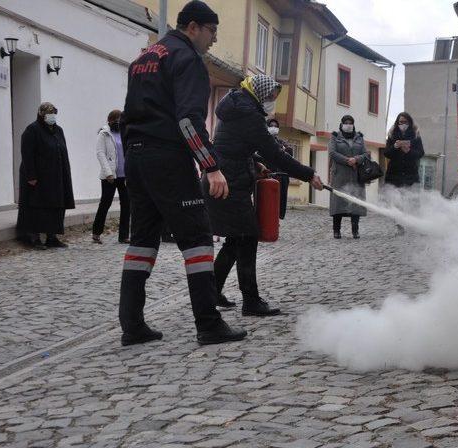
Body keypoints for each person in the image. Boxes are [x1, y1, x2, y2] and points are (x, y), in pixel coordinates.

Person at [119, 0, 246, 347]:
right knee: (198, 242)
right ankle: (208, 323)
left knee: (142, 242)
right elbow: (189, 120)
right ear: (193, 27)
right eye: (212, 31)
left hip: (136, 156)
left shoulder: (145, 57)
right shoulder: (186, 58)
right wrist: (212, 166)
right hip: (167, 158)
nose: (214, 40)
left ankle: (131, 325)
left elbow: (131, 113)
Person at [203, 74, 323, 315]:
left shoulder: (237, 104)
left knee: (236, 239)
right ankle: (251, 301)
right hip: (229, 182)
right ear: (259, 93)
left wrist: (255, 163)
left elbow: (235, 144)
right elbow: (274, 153)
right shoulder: (248, 112)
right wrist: (308, 174)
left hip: (229, 176)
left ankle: (213, 291)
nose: (272, 102)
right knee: (247, 237)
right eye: (270, 97)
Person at [16, 102, 75, 249]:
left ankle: (52, 237)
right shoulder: (32, 130)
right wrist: (31, 176)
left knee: (55, 207)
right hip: (38, 178)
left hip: (56, 177)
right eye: (49, 114)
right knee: (37, 207)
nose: (52, 116)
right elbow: (27, 154)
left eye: (54, 113)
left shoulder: (58, 131)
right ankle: (34, 237)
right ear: (42, 115)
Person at [92, 109, 130, 244]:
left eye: (121, 120)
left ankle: (124, 235)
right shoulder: (104, 134)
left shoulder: (125, 133)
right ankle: (96, 232)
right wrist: (108, 173)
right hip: (110, 176)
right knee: (105, 204)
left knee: (127, 205)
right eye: (116, 120)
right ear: (110, 120)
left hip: (124, 175)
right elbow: (100, 154)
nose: (119, 123)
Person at [384, 112, 425, 235]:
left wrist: (409, 151)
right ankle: (400, 226)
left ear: (410, 123)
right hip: (394, 174)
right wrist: (395, 147)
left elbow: (421, 153)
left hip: (410, 173)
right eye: (400, 122)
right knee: (397, 201)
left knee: (412, 200)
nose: (402, 124)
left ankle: (415, 225)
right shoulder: (392, 136)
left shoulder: (416, 136)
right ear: (397, 123)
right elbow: (386, 153)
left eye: (405, 122)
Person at [329, 115, 369, 239]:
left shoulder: (359, 138)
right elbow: (332, 152)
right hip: (340, 175)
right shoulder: (335, 137)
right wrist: (347, 160)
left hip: (356, 175)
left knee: (355, 203)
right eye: (346, 122)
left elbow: (365, 153)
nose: (348, 125)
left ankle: (355, 230)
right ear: (341, 124)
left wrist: (356, 159)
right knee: (338, 203)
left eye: (350, 122)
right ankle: (336, 230)